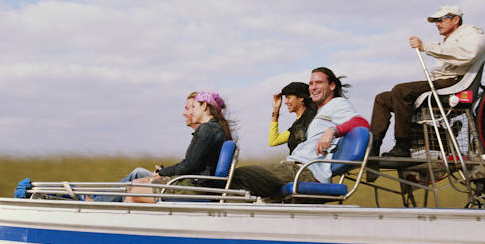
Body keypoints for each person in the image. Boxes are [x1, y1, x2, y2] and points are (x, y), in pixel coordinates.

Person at [368, 5, 485, 181]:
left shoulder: (471, 33)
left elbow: (470, 53)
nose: (437, 23)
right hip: (441, 82)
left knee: (401, 91)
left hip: (454, 83)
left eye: (441, 19)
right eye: (436, 20)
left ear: (456, 19)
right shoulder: (450, 39)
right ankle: (373, 149)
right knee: (382, 98)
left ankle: (403, 147)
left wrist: (425, 46)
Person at [230, 67, 369, 198]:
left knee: (234, 177)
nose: (313, 87)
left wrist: (333, 131)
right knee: (234, 179)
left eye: (319, 83)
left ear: (332, 86)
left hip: (305, 172)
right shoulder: (320, 113)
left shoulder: (338, 104)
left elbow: (362, 123)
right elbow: (273, 141)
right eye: (311, 83)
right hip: (293, 167)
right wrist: (275, 111)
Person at [124, 91, 234, 203]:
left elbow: (190, 165)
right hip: (202, 186)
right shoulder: (218, 129)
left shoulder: (206, 129)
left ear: (204, 106)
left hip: (195, 187)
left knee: (134, 191)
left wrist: (163, 172)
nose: (191, 111)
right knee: (136, 184)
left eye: (194, 107)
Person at [90, 91, 202, 202]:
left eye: (188, 108)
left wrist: (164, 174)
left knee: (136, 178)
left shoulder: (204, 135)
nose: (184, 113)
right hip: (177, 179)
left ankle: (96, 202)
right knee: (138, 172)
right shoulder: (200, 135)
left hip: (181, 182)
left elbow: (189, 167)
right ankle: (97, 199)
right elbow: (188, 165)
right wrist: (164, 171)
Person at [269, 82, 317, 153]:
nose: (285, 102)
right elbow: (273, 141)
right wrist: (276, 110)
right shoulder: (297, 125)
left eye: (289, 98)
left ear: (301, 98)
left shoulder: (311, 119)